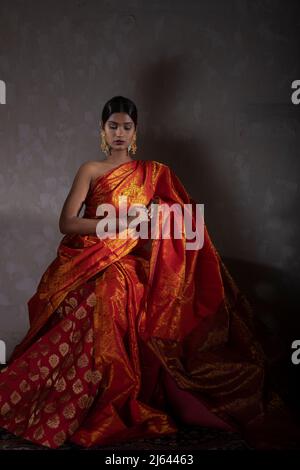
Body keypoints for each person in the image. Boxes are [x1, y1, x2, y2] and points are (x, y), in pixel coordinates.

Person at [0, 96, 299, 450]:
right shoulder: (91, 170)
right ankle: (81, 393)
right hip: (89, 258)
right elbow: (67, 222)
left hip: (133, 259)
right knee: (111, 286)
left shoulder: (155, 173)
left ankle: (121, 389)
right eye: (113, 126)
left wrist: (159, 216)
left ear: (136, 131)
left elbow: (183, 221)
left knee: (125, 285)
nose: (120, 133)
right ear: (102, 130)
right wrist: (120, 223)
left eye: (127, 127)